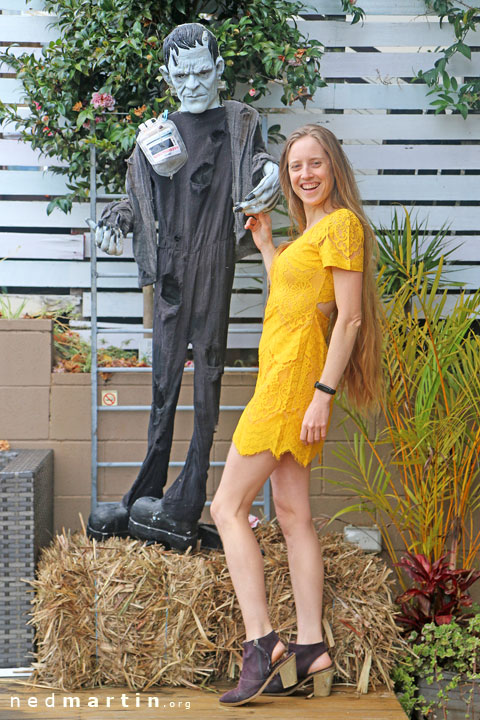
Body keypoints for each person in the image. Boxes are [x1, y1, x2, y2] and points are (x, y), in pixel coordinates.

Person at [86, 23, 280, 550]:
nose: (193, 84)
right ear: (168, 78)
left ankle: (187, 500)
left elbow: (258, 164)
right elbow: (134, 198)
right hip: (171, 270)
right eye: (181, 75)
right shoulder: (156, 133)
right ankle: (144, 496)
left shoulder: (242, 122)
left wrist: (271, 176)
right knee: (163, 386)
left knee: (208, 381)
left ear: (219, 71)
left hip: (214, 260)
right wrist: (114, 219)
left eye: (201, 72)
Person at [210, 124, 382, 706]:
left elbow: (349, 319)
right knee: (291, 514)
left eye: (314, 163)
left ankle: (262, 642)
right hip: (285, 381)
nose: (304, 174)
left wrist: (321, 395)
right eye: (295, 167)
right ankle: (310, 647)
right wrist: (266, 249)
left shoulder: (342, 226)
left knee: (226, 507)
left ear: (334, 166)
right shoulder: (312, 233)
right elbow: (299, 303)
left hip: (290, 389)